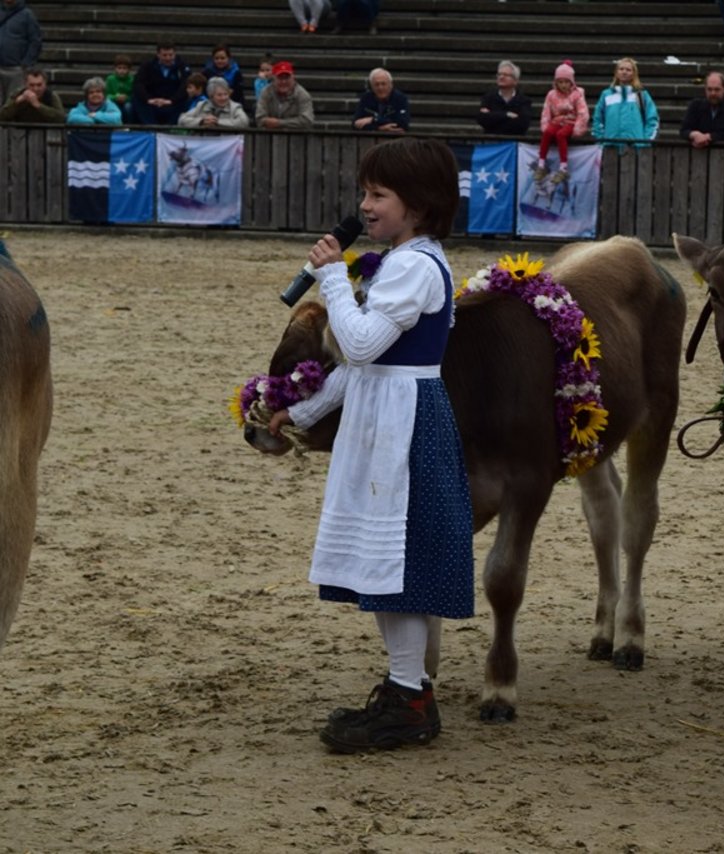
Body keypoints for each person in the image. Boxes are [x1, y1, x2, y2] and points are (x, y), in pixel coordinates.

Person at [267, 137, 473, 754]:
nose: (366, 205)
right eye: (365, 193)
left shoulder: (414, 266)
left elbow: (355, 346)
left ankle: (409, 699)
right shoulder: (406, 261)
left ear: (420, 204)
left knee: (400, 567)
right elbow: (362, 367)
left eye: (378, 194)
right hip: (384, 413)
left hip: (404, 420)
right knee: (386, 568)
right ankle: (407, 689)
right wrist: (301, 410)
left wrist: (331, 277)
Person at [535, 60, 588, 182]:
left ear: (571, 82)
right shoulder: (551, 95)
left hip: (570, 121)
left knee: (561, 135)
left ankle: (563, 167)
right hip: (556, 120)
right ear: (556, 83)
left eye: (566, 82)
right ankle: (541, 164)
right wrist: (545, 124)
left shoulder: (577, 94)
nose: (563, 85)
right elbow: (546, 111)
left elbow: (582, 112)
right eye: (560, 82)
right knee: (548, 132)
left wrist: (578, 128)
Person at [591, 56, 659, 148]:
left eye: (628, 70)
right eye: (621, 69)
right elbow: (597, 119)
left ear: (634, 73)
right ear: (616, 72)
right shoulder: (606, 95)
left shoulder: (642, 95)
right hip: (610, 148)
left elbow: (652, 120)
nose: (624, 72)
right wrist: (602, 140)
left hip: (636, 149)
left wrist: (645, 142)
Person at [679, 70, 724, 148]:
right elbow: (684, 130)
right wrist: (694, 135)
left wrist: (709, 137)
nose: (713, 93)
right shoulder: (696, 105)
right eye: (709, 89)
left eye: (717, 89)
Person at [132, 41, 190, 126]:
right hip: (152, 102)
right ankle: (152, 128)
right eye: (164, 55)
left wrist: (171, 100)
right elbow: (138, 84)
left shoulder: (182, 67)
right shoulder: (147, 66)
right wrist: (148, 99)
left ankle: (169, 129)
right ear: (158, 55)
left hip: (173, 102)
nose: (168, 58)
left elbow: (185, 85)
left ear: (175, 54)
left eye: (171, 55)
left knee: (186, 100)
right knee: (136, 99)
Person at [0, 0, 41, 105]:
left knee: (13, 104)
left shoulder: (27, 15)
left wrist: (26, 63)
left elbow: (35, 41)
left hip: (16, 69)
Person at [476, 60, 532, 136]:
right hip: (492, 143)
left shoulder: (524, 101)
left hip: (514, 143)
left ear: (515, 80)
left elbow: (522, 125)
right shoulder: (488, 98)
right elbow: (482, 119)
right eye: (499, 74)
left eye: (506, 75)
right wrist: (506, 115)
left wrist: (493, 116)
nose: (501, 77)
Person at [255, 60, 314, 129]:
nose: (284, 81)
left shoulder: (303, 95)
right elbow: (259, 118)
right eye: (280, 78)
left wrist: (279, 123)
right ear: (273, 79)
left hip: (296, 138)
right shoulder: (265, 92)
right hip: (270, 138)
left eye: (287, 77)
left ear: (293, 78)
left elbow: (307, 121)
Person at [177, 76, 249, 128]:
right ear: (211, 96)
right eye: (219, 95)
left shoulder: (235, 107)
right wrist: (201, 121)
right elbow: (182, 119)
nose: (223, 98)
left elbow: (244, 122)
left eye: (226, 94)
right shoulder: (202, 105)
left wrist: (218, 122)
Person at [352, 67, 410, 133]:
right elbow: (356, 124)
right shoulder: (366, 98)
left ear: (391, 85)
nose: (380, 87)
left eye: (383, 84)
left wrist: (373, 119)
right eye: (376, 84)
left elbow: (402, 124)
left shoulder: (400, 99)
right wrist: (379, 128)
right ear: (372, 86)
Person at [105, 54, 134, 123]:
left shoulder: (132, 80)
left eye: (124, 68)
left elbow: (134, 96)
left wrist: (126, 98)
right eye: (119, 68)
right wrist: (115, 97)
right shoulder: (110, 79)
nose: (122, 71)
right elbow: (106, 95)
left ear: (129, 70)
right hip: (114, 101)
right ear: (115, 68)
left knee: (128, 107)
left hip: (127, 102)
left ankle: (129, 125)